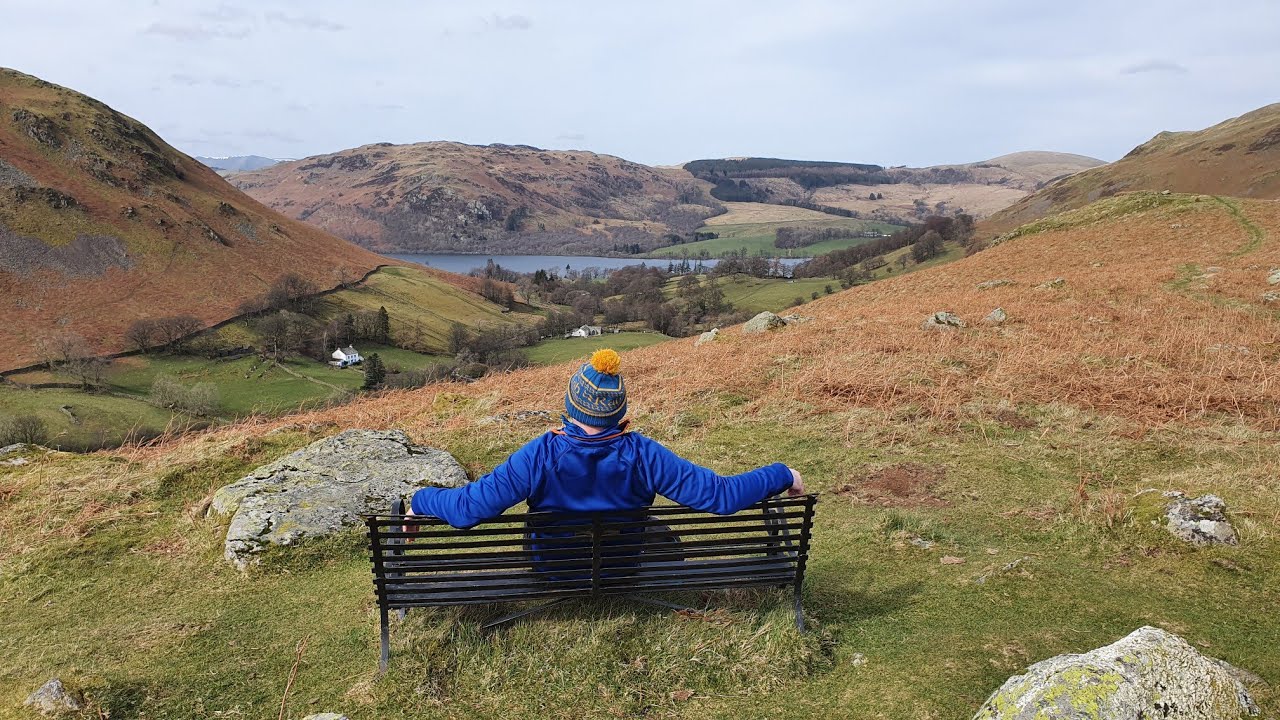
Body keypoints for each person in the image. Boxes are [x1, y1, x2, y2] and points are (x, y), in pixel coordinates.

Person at [407, 349, 804, 528]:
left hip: (554, 570)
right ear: (620, 413)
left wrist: (419, 502)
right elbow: (723, 497)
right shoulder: (645, 454)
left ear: (569, 405)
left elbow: (465, 511)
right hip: (622, 567)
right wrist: (783, 473)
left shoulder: (539, 454)